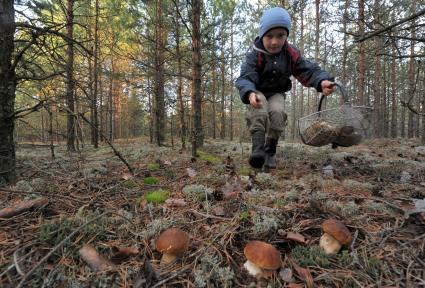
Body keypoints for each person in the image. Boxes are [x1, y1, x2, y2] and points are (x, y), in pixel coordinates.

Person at [235, 7, 336, 170]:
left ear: (286, 35)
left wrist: (322, 81)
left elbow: (307, 70)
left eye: (280, 36)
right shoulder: (255, 54)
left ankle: (269, 152)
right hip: (257, 90)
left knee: (277, 115)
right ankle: (258, 151)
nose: (274, 42)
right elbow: (246, 75)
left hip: (276, 93)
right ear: (262, 35)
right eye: (269, 36)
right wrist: (250, 93)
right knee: (259, 113)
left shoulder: (290, 53)